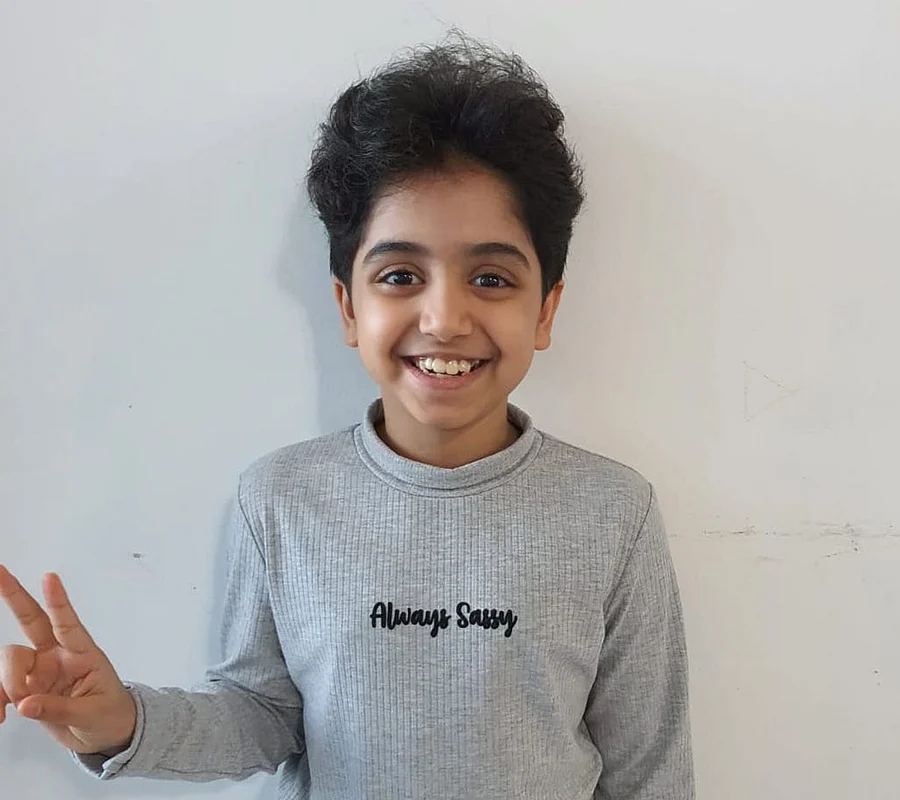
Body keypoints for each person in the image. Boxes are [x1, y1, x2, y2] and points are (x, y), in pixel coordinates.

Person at [0, 36, 693, 799]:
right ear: (348, 308)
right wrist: (124, 722)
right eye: (399, 274)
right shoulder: (280, 498)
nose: (444, 318)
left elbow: (648, 769)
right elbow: (260, 716)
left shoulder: (611, 512)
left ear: (545, 311)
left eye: (491, 278)